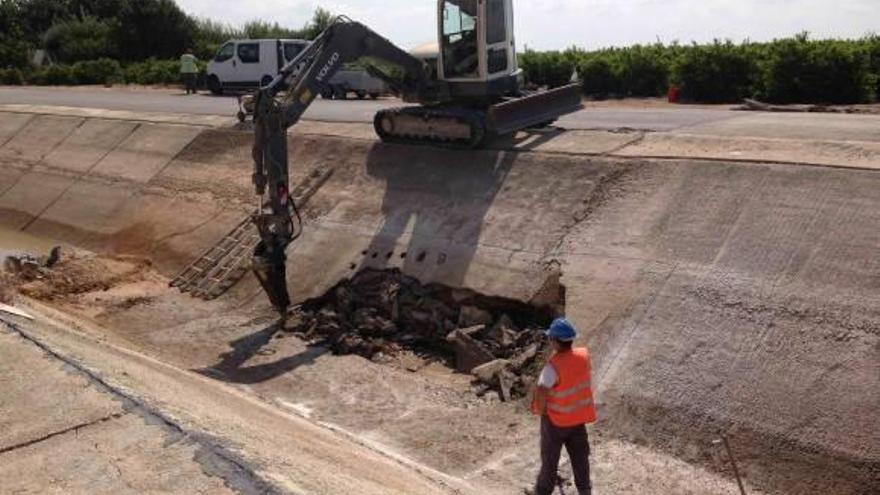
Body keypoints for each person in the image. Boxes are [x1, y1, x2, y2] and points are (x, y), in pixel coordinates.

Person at [526, 318, 597, 495]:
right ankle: (585, 490)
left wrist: (542, 410)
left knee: (550, 460)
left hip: (555, 422)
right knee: (580, 458)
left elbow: (542, 388)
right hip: (578, 419)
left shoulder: (553, 367)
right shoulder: (583, 356)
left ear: (556, 341)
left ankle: (542, 491)